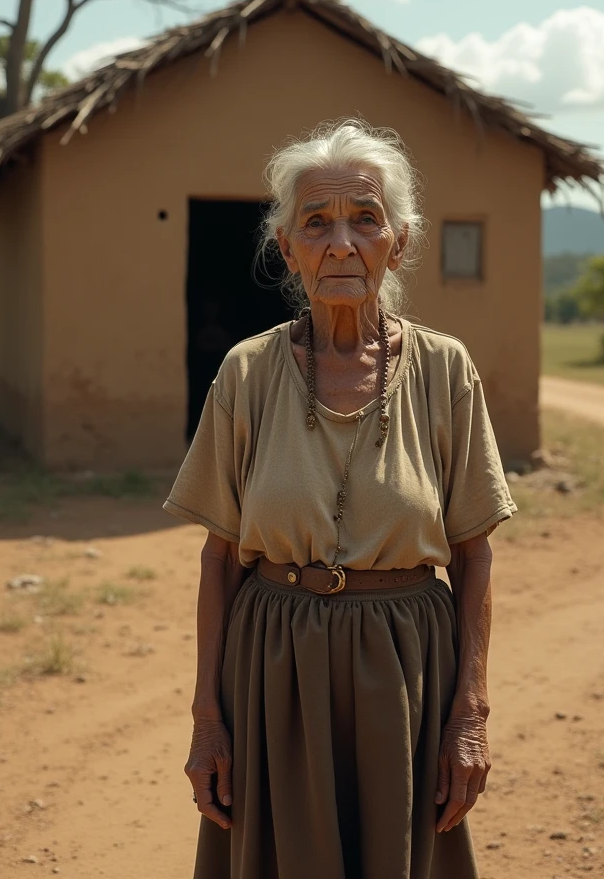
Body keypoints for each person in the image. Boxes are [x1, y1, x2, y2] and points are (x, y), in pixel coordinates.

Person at [163, 119, 518, 879]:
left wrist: (468, 716)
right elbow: (218, 559)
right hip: (273, 669)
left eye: (365, 219)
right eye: (316, 224)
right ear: (287, 250)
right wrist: (206, 722)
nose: (342, 243)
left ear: (402, 242)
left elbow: (474, 553)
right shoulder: (247, 374)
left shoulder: (445, 370)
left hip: (405, 669)